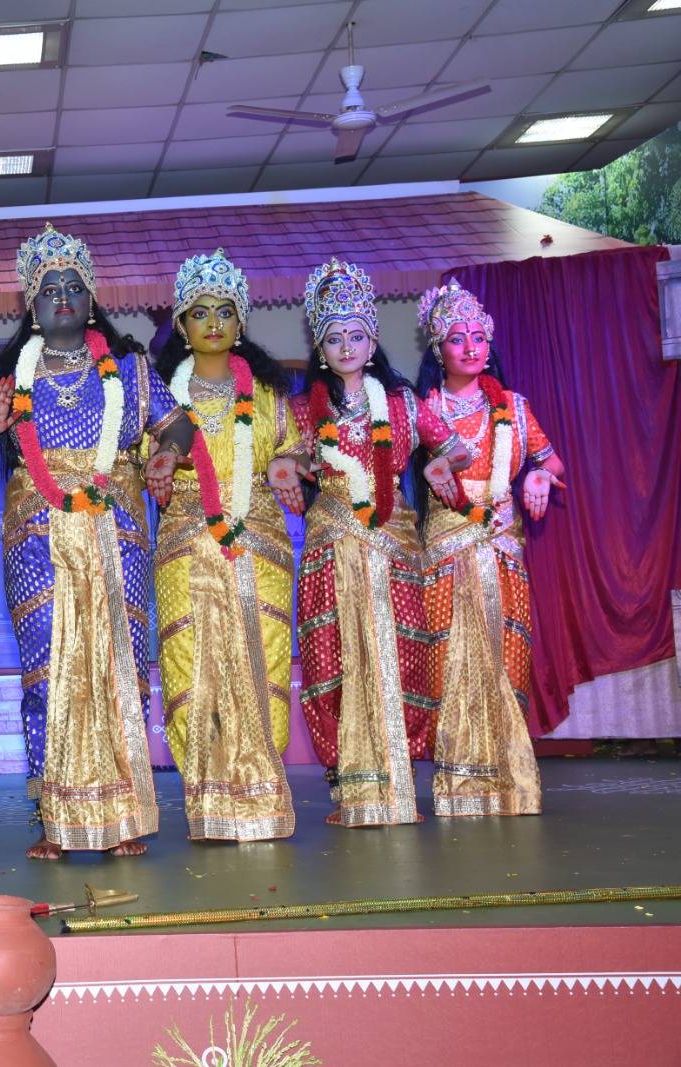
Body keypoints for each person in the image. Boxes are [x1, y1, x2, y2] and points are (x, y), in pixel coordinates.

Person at [0, 225, 192, 860]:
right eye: (50, 290)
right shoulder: (9, 378)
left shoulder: (130, 369)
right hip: (37, 535)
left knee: (118, 664)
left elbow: (178, 425)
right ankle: (54, 815)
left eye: (74, 286)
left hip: (113, 529)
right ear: (31, 306)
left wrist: (166, 455)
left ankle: (123, 812)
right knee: (50, 667)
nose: (63, 297)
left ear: (91, 299)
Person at [290, 261, 467, 827]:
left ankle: (399, 776)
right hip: (331, 547)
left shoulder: (404, 404)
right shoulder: (304, 410)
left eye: (356, 335)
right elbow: (283, 457)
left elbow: (455, 446)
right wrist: (283, 468)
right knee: (334, 657)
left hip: (393, 545)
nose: (346, 346)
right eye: (334, 337)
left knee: (402, 655)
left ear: (372, 341)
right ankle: (351, 784)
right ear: (321, 349)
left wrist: (440, 465)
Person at [153, 250, 307, 842]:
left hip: (257, 545)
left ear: (241, 321)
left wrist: (288, 464)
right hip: (184, 548)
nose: (213, 322)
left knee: (261, 665)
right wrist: (157, 463)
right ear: (181, 324)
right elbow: (145, 457)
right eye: (199, 312)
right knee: (191, 670)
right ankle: (208, 802)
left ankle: (262, 797)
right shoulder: (162, 396)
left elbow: (293, 448)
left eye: (224, 311)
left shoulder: (268, 395)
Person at [416, 279, 565, 817]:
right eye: (457, 338)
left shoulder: (515, 408)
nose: (471, 347)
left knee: (506, 660)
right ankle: (459, 785)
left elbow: (551, 462)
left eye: (479, 337)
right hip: (446, 550)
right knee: (452, 661)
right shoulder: (422, 409)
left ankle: (509, 779)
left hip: (502, 546)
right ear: (439, 349)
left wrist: (539, 478)